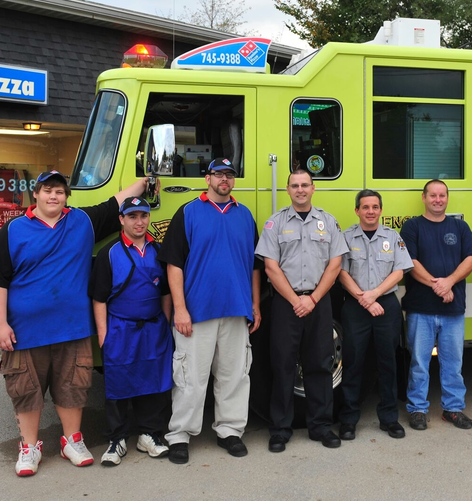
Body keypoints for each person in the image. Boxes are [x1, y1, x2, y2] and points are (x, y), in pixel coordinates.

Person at [0, 171, 148, 477]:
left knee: (74, 385)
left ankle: (72, 440)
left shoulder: (82, 222)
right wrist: (0, 323)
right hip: (25, 331)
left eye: (59, 191)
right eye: (47, 191)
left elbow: (117, 202)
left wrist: (147, 180)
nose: (53, 196)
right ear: (36, 195)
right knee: (25, 388)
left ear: (66, 197)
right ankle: (29, 447)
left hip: (73, 327)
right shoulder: (14, 229)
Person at [159, 158, 261, 464]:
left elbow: (256, 266)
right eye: (219, 174)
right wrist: (179, 309)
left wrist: (254, 304)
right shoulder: (189, 212)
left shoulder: (244, 215)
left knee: (234, 375)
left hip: (236, 309)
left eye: (229, 175)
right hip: (197, 312)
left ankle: (230, 430)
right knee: (191, 377)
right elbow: (173, 263)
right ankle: (179, 435)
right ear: (208, 179)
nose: (225, 180)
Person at [256, 168, 349, 453]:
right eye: (295, 185)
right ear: (287, 190)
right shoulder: (275, 223)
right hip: (286, 303)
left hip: (319, 302)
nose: (300, 190)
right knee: (282, 365)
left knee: (319, 364)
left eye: (305, 185)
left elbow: (335, 264)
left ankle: (320, 426)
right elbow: (270, 266)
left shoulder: (328, 222)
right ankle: (280, 429)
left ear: (313, 189)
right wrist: (296, 300)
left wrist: (313, 299)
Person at [91, 196, 173, 465]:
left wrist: (167, 322)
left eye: (143, 216)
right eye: (133, 216)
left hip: (154, 327)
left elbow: (165, 291)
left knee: (155, 380)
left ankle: (149, 434)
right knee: (118, 381)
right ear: (122, 219)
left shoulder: (159, 249)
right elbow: (99, 297)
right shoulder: (110, 253)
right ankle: (117, 439)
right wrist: (103, 332)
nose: (139, 222)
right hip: (120, 327)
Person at [399, 179, 472, 432]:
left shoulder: (460, 226)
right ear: (423, 198)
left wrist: (450, 282)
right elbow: (409, 262)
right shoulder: (412, 226)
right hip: (420, 309)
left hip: (452, 311)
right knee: (419, 363)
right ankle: (417, 409)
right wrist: (439, 286)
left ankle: (453, 409)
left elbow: (470, 259)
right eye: (432, 195)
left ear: (447, 198)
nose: (437, 200)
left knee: (453, 363)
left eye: (442, 195)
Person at [337, 190, 414, 440]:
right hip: (355, 307)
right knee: (352, 362)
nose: (370, 211)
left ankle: (389, 419)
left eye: (375, 207)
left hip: (386, 306)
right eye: (365, 207)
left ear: (381, 210)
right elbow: (341, 273)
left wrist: (374, 295)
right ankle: (348, 420)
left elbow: (400, 271)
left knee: (388, 363)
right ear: (357, 210)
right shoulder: (346, 237)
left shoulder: (392, 237)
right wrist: (364, 298)